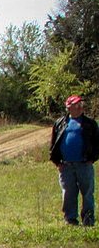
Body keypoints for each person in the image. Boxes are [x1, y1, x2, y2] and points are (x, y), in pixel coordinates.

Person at [49, 95, 99, 226]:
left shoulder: (90, 123)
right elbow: (54, 143)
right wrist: (57, 162)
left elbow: (97, 143)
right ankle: (70, 219)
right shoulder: (60, 123)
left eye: (80, 105)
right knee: (68, 194)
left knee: (87, 193)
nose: (80, 107)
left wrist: (92, 159)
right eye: (76, 105)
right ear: (69, 107)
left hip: (84, 164)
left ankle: (88, 220)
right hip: (66, 166)